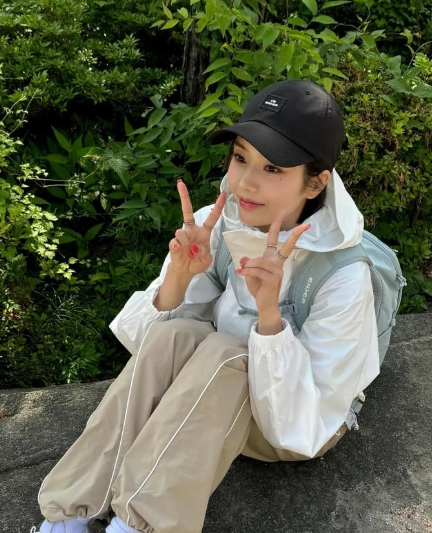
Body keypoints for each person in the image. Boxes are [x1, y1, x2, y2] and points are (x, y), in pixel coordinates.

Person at [32, 79, 380, 533]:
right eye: (240, 157)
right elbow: (147, 349)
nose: (245, 182)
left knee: (225, 353)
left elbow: (304, 423)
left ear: (315, 183)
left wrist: (269, 315)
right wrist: (179, 276)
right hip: (213, 391)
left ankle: (141, 526)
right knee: (175, 335)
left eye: (273, 168)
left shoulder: (343, 273)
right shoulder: (222, 222)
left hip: (298, 417)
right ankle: (68, 516)